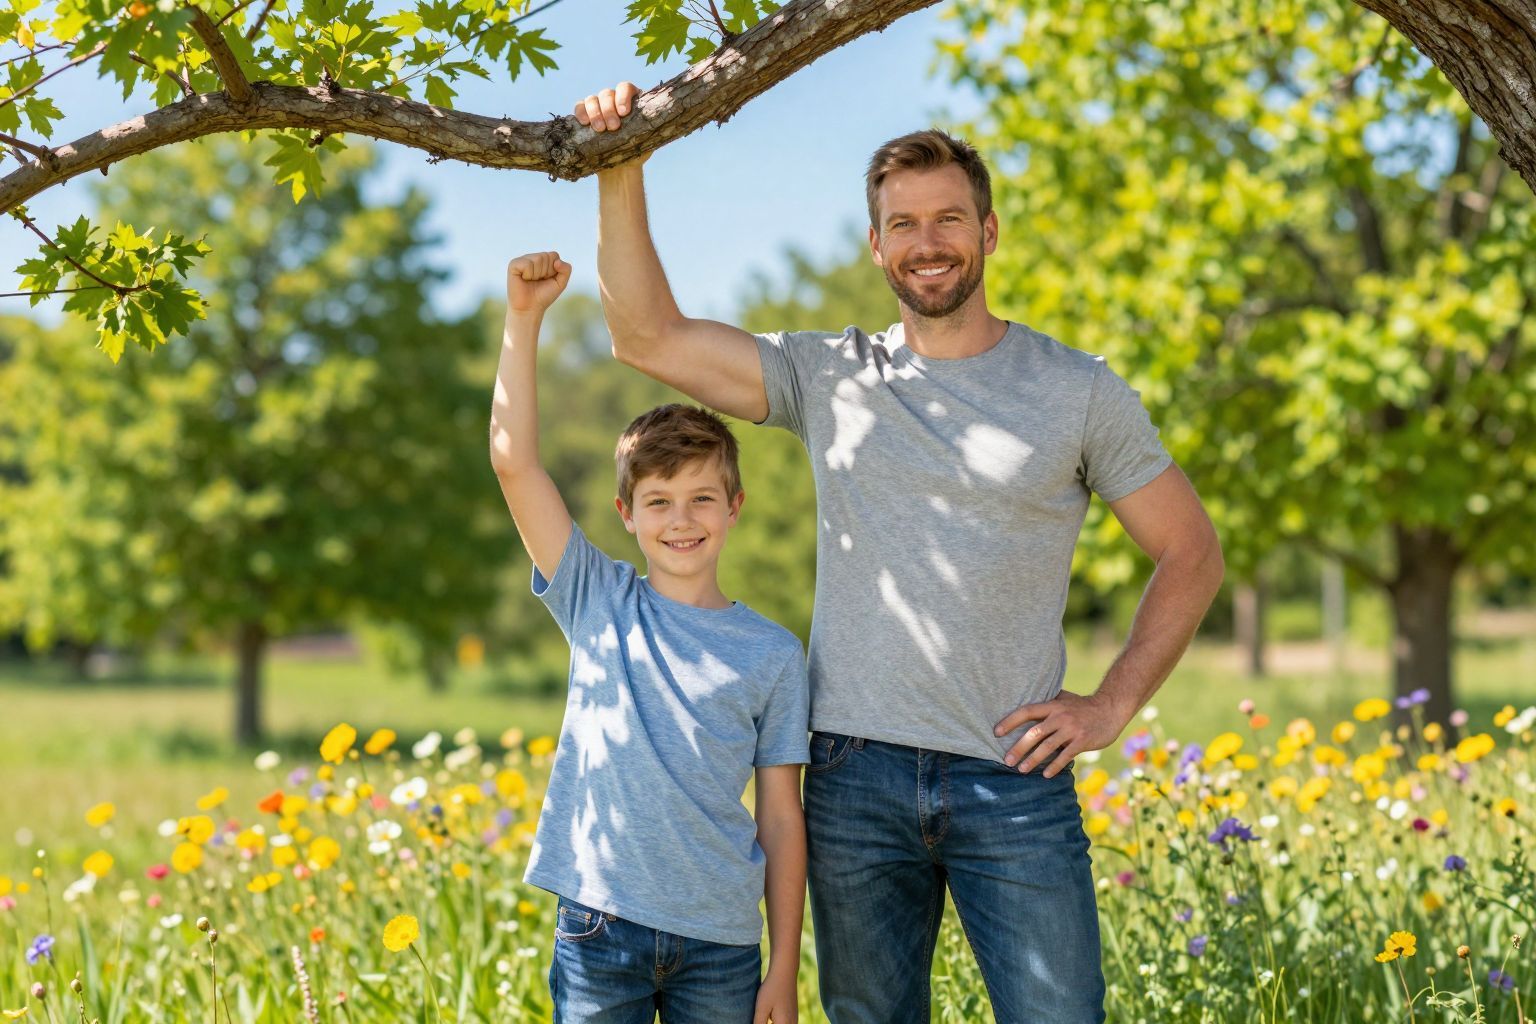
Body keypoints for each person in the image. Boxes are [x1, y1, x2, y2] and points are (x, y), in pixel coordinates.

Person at [573, 82, 1226, 1024]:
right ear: (876, 246)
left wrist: (1112, 702)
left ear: (989, 232)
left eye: (950, 219)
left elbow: (1191, 551)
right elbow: (646, 336)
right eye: (904, 224)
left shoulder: (1078, 391)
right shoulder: (831, 374)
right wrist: (619, 162)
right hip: (851, 779)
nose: (929, 242)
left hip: (1014, 778)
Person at [488, 249, 809, 1024]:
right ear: (627, 513)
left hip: (723, 943)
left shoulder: (774, 654)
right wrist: (524, 319)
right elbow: (514, 462)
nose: (682, 519)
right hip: (600, 929)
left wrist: (786, 968)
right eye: (659, 501)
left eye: (702, 498)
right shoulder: (597, 597)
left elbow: (781, 819)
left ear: (734, 508)